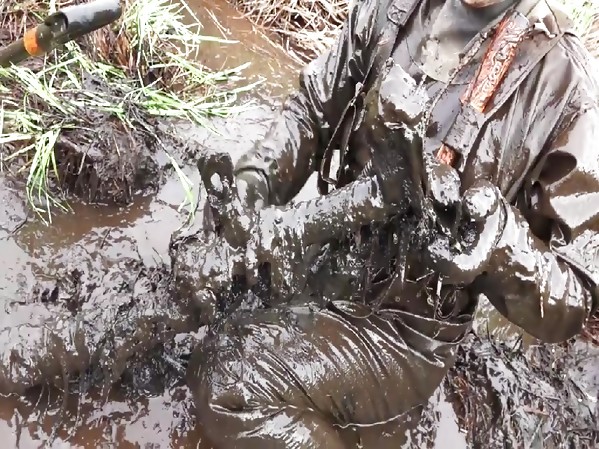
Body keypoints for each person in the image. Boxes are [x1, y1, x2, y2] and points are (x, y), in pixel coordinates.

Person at [172, 0, 599, 447]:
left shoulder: (568, 89)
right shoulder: (395, 7)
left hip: (404, 330)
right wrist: (252, 187)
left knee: (231, 382)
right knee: (187, 299)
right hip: (327, 251)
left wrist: (502, 246)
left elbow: (575, 299)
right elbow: (310, 110)